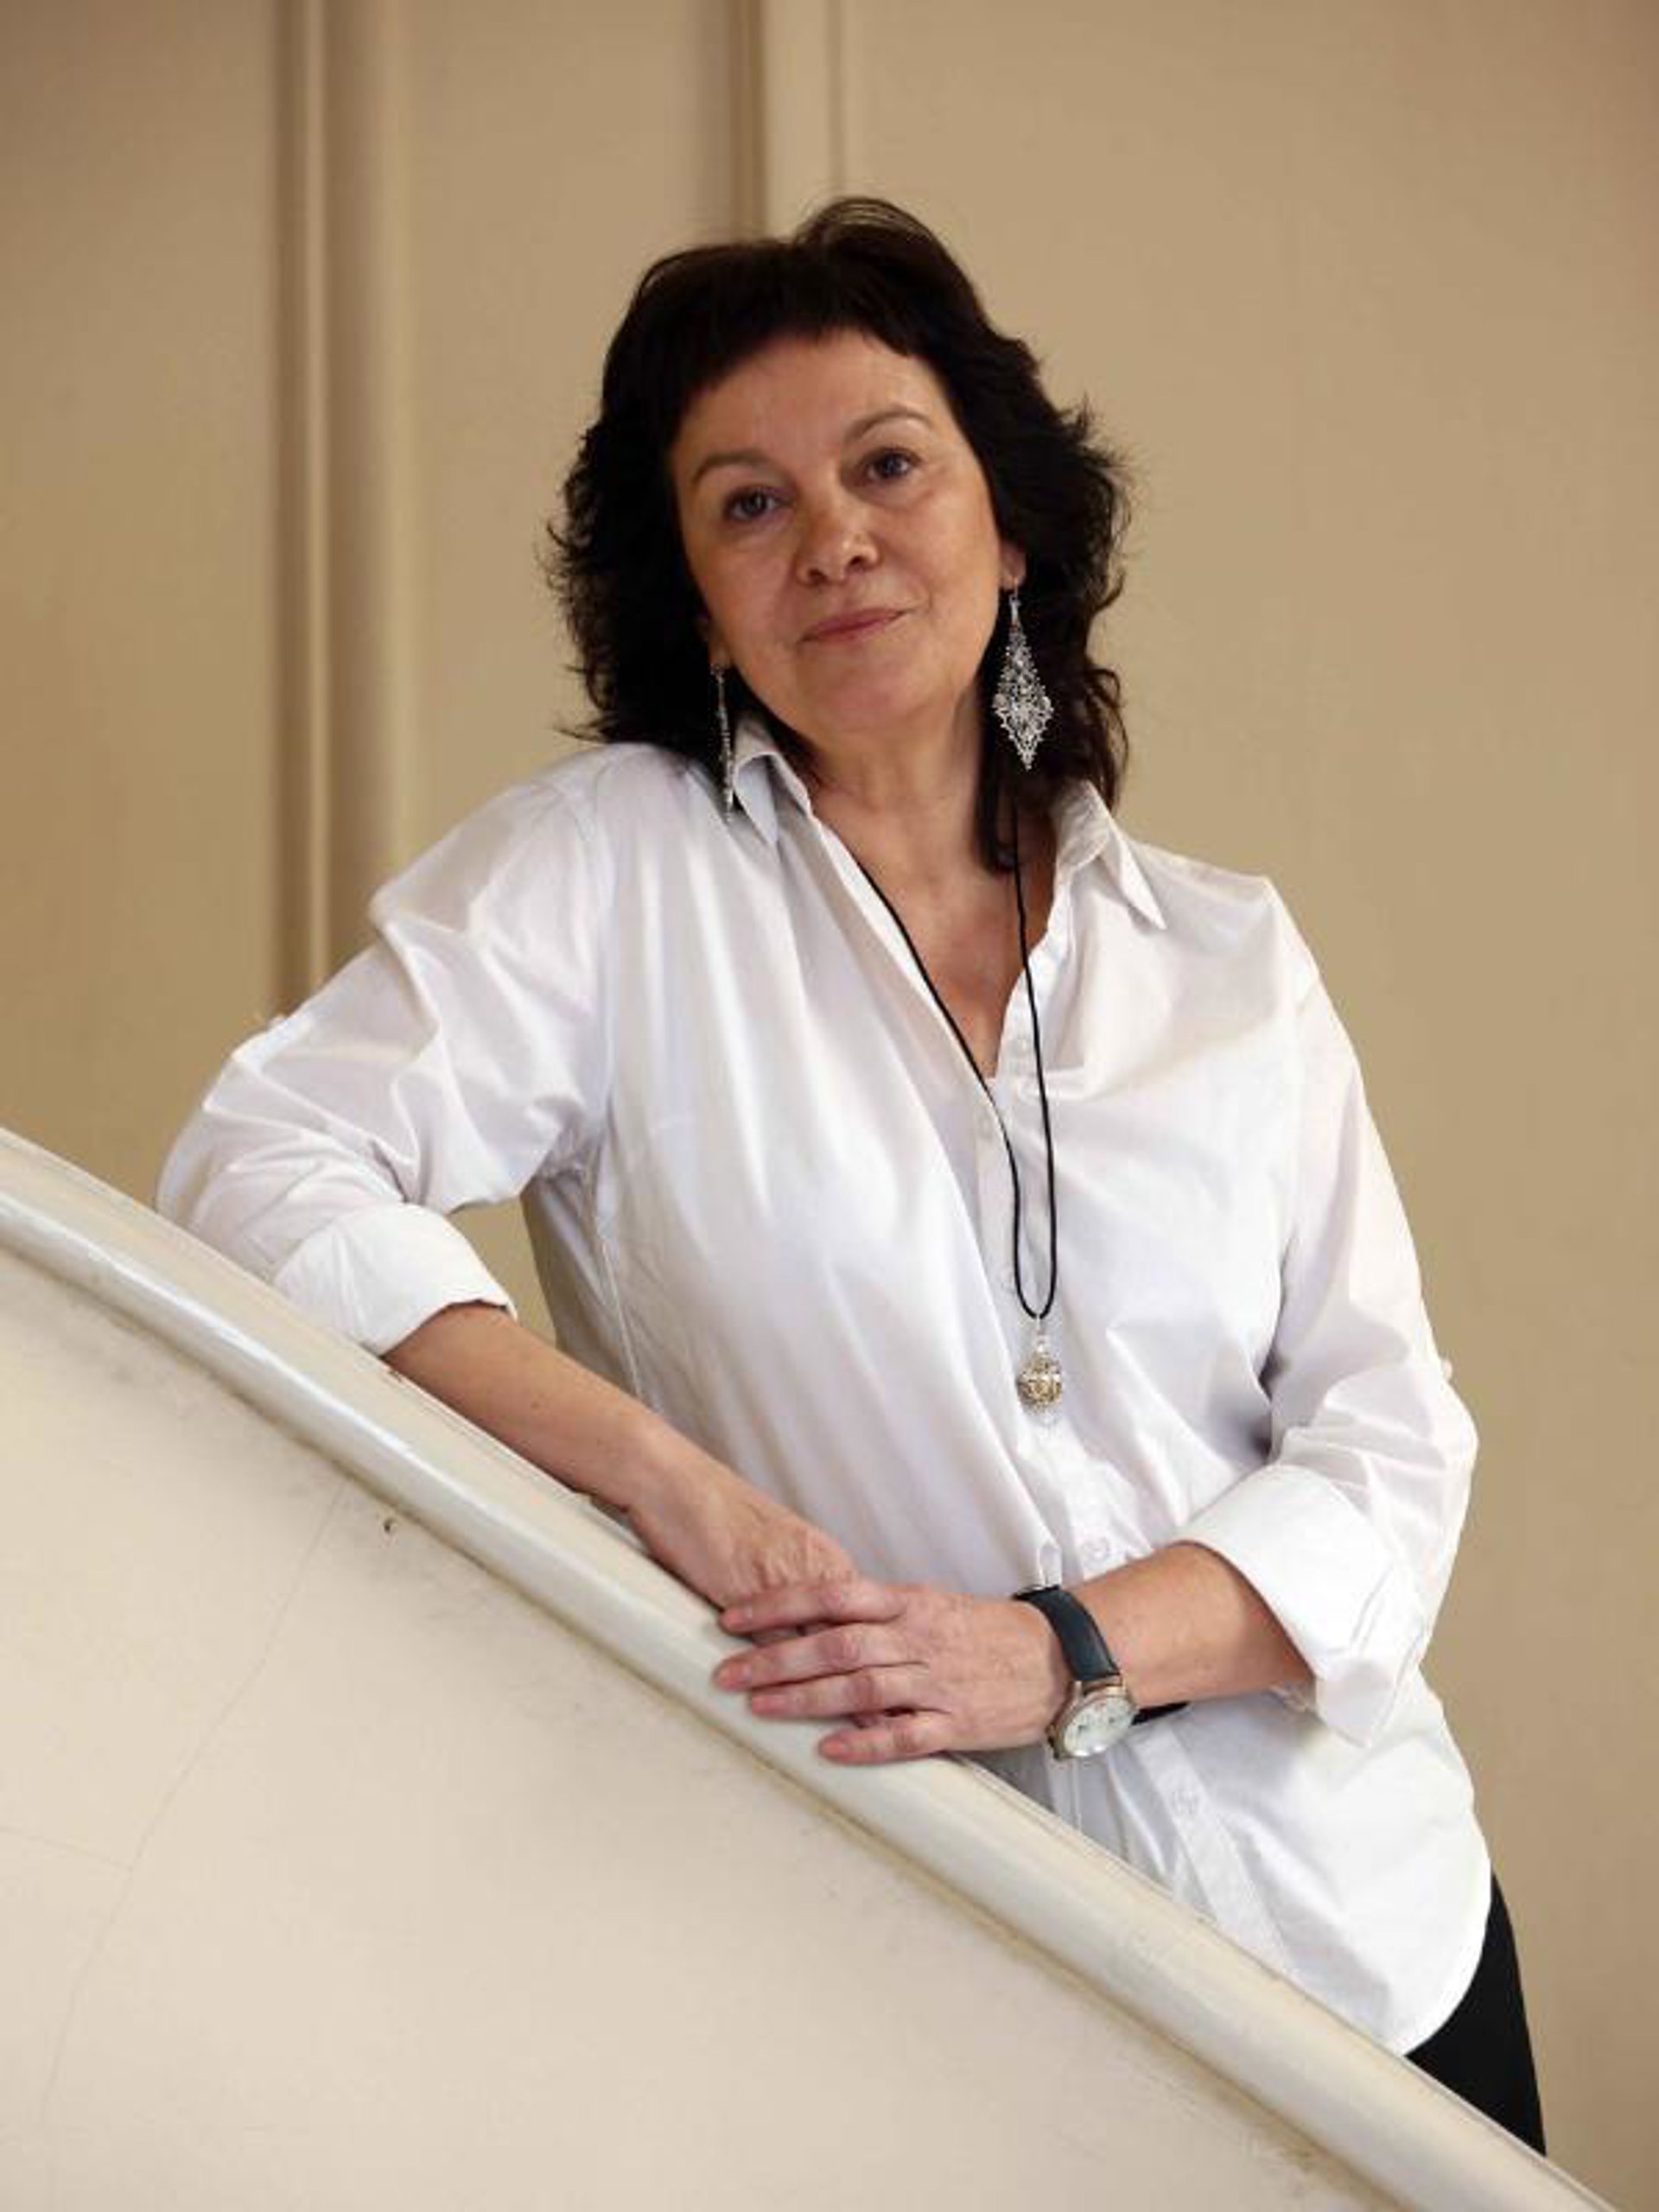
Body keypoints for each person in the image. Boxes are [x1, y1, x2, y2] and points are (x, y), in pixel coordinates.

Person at [159, 199, 1543, 2149]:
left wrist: (1052, 1653)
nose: (833, 539)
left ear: (1012, 522)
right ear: (695, 595)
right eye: (750, 504)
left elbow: (1391, 1451)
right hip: (927, 2003)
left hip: (1378, 1952)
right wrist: (667, 1489)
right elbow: (259, 1163)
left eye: (889, 466)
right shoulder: (603, 878)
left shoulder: (1226, 957)